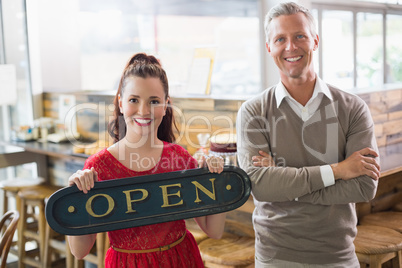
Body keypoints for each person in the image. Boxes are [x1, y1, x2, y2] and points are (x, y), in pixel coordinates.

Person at [236, 2, 380, 267]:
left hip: (338, 257)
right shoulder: (253, 111)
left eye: (299, 36)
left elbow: (364, 186)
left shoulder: (352, 108)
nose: (290, 46)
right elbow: (261, 186)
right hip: (275, 258)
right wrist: (337, 171)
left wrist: (286, 186)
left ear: (315, 41)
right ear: (269, 47)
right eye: (280, 39)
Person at [67, 53, 225, 268]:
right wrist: (74, 198)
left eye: (154, 101)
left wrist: (216, 180)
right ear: (121, 104)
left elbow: (214, 230)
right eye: (134, 100)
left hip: (181, 259)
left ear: (166, 106)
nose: (143, 111)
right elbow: (80, 251)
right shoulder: (98, 166)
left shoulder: (178, 157)